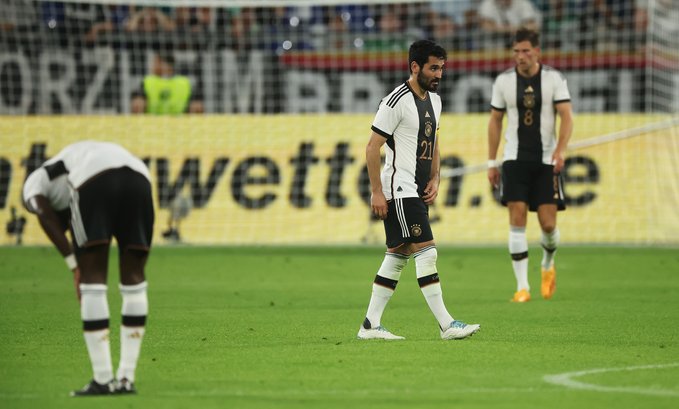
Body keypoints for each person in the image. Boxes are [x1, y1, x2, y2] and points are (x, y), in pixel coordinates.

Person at [357, 39, 481, 341]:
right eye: (433, 68)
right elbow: (372, 147)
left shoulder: (435, 101)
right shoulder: (395, 101)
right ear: (415, 67)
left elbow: (433, 142)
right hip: (400, 189)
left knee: (398, 254)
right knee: (427, 252)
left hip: (417, 189)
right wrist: (376, 192)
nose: (439, 74)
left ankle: (370, 325)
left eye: (442, 68)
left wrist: (436, 177)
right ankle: (446, 324)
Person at [22, 141, 154, 396]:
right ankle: (126, 378)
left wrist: (74, 265)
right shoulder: (75, 154)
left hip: (92, 179)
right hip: (139, 176)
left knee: (91, 277)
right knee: (134, 276)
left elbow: (42, 213)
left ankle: (102, 379)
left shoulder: (33, 182)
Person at [486, 28, 573, 303]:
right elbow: (495, 121)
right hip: (514, 159)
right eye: (516, 51)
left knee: (548, 225)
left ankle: (547, 262)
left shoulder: (554, 78)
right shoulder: (503, 81)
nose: (520, 56)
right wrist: (492, 161)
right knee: (517, 217)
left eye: (525, 51)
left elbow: (566, 116)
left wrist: (560, 150)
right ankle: (522, 287)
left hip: (546, 161)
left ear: (537, 51)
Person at [130, 52, 203, 115]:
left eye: (156, 62)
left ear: (166, 65)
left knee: (197, 105)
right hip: (152, 120)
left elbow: (196, 102)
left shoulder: (183, 82)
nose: (152, 66)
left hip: (180, 121)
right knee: (137, 102)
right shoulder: (148, 81)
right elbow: (138, 97)